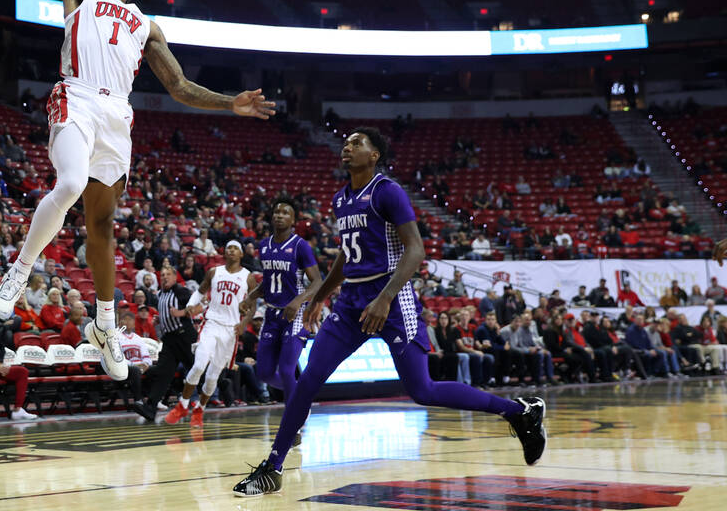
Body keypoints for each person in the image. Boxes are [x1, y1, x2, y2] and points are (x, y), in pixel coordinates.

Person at [0, 0, 275, 384]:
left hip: (118, 115)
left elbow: (179, 87)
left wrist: (232, 104)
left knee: (101, 229)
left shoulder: (146, 25)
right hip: (76, 95)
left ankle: (103, 325)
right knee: (72, 180)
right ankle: (18, 271)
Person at [233, 128, 545, 496]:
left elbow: (416, 250)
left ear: (375, 154)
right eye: (346, 143)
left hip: (393, 301)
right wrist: (321, 297)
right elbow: (347, 257)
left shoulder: (388, 191)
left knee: (422, 390)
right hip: (350, 302)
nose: (347, 148)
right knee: (307, 382)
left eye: (356, 143)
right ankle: (273, 467)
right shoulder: (341, 199)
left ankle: (518, 412)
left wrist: (384, 297)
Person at [164, 240, 251, 426]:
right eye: (229, 247)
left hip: (231, 330)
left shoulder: (248, 277)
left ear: (241, 254)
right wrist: (189, 306)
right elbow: (200, 291)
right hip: (211, 323)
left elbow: (252, 304)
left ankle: (200, 409)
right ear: (224, 253)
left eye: (236, 248)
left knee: (213, 378)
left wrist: (245, 322)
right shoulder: (214, 272)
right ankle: (182, 405)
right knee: (198, 365)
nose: (232, 250)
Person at [246, 200, 323, 403]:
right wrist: (250, 297)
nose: (279, 215)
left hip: (295, 314)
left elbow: (317, 282)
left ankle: (294, 417)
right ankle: (300, 392)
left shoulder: (300, 246)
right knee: (264, 373)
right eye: (276, 212)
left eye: (285, 213)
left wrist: (298, 301)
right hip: (272, 314)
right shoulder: (263, 246)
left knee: (288, 369)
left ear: (293, 220)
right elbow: (269, 283)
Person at [133, 264, 196, 421]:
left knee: (196, 368)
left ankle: (221, 382)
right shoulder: (160, 294)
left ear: (175, 277)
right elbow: (168, 314)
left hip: (184, 336)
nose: (165, 277)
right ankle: (150, 408)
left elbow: (196, 308)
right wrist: (161, 319)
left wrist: (179, 313)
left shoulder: (181, 291)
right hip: (169, 339)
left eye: (168, 274)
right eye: (162, 275)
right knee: (163, 372)